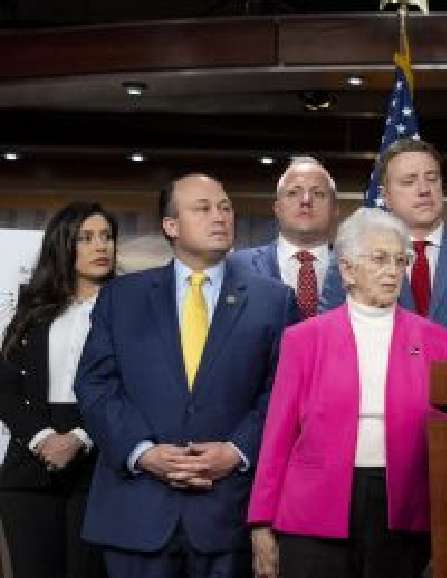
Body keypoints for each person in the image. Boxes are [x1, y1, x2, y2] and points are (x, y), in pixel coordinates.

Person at [74, 174, 298, 578]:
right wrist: (142, 452)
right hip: (136, 512)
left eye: (225, 207)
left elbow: (282, 392)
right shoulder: (122, 297)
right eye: (203, 208)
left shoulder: (273, 299)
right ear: (171, 226)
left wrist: (236, 451)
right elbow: (96, 385)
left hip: (227, 514)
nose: (220, 217)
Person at [249, 207, 447, 578]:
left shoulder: (435, 339)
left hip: (403, 507)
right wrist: (261, 522)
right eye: (379, 259)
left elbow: (443, 432)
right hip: (313, 509)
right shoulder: (304, 339)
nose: (393, 270)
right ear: (346, 269)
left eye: (399, 260)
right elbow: (278, 434)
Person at [0, 202, 117, 578]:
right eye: (86, 238)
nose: (101, 246)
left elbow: (132, 387)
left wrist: (80, 437)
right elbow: (6, 388)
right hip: (28, 466)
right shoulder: (32, 310)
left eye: (107, 237)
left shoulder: (130, 308)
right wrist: (42, 436)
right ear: (62, 245)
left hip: (98, 464)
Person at [321, 139, 447, 360]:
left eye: (432, 179)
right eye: (409, 181)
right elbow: (328, 339)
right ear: (386, 196)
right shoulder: (351, 258)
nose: (424, 190)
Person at [231, 156, 338, 319]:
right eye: (293, 193)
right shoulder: (236, 267)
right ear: (277, 208)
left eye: (318, 194)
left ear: (334, 210)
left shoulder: (357, 268)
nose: (306, 201)